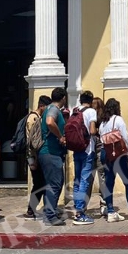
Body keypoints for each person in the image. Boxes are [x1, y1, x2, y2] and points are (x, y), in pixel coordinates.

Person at [98, 98, 128, 222]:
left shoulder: (102, 123)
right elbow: (125, 138)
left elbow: (101, 139)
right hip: (118, 154)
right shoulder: (118, 120)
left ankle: (110, 212)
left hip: (106, 154)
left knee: (109, 184)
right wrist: (127, 152)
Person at [38, 87, 68, 226]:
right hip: (51, 153)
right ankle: (50, 215)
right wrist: (60, 137)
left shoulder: (49, 108)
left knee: (52, 184)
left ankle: (49, 213)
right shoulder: (54, 109)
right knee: (55, 184)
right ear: (63, 98)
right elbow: (50, 122)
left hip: (49, 153)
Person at [69, 91, 99, 225]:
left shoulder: (74, 111)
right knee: (84, 180)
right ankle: (80, 213)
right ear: (91, 101)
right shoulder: (91, 111)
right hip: (88, 149)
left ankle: (77, 208)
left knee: (77, 179)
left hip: (76, 149)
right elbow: (92, 131)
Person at [24, 96, 48, 219]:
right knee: (39, 183)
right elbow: (33, 141)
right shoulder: (33, 118)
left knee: (40, 183)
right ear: (41, 106)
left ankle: (34, 208)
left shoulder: (37, 117)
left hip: (35, 156)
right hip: (33, 156)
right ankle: (31, 209)